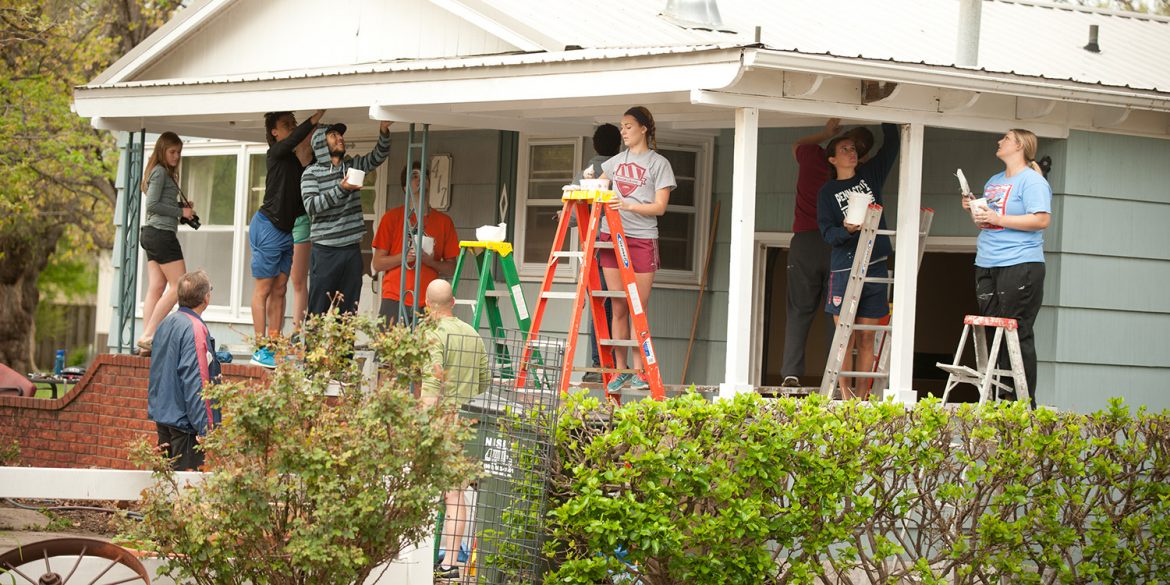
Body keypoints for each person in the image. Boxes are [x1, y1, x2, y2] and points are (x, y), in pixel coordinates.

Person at [781, 119, 874, 388]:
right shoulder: (859, 176)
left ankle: (791, 372)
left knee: (800, 308)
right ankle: (832, 376)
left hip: (806, 242)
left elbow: (798, 145)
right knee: (835, 313)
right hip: (839, 244)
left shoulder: (812, 157)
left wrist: (826, 133)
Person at [965, 129, 1051, 409]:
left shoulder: (1032, 181)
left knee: (1017, 330)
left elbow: (1040, 220)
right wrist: (974, 208)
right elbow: (989, 221)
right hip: (988, 261)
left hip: (1020, 262)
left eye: (1005, 138)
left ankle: (1023, 402)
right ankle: (1000, 397)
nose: (999, 142)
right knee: (995, 330)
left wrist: (998, 216)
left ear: (1019, 146)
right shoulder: (994, 181)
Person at [817, 122, 900, 399]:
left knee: (866, 337)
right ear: (832, 158)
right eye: (844, 149)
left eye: (853, 148)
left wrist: (885, 117)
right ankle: (844, 393)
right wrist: (847, 230)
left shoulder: (869, 175)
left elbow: (891, 147)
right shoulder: (827, 192)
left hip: (874, 264)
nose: (851, 153)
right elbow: (828, 233)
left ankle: (862, 397)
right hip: (844, 268)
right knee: (846, 336)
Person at [597, 107, 676, 394]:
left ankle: (640, 370)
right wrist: (590, 182)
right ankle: (622, 371)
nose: (623, 131)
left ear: (644, 128)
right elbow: (599, 191)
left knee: (637, 307)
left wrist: (628, 205)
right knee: (617, 305)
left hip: (641, 238)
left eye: (628, 126)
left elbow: (660, 207)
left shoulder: (659, 163)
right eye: (621, 126)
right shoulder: (614, 163)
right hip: (612, 236)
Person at [419, 279, 489, 581]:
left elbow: (432, 384)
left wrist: (424, 427)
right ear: (454, 302)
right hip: (469, 424)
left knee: (438, 495)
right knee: (456, 494)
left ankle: (431, 564)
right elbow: (485, 380)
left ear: (426, 304)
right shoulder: (473, 334)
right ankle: (452, 563)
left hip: (442, 421)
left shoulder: (433, 335)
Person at [249, 109, 325, 368]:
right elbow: (294, 141)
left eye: (294, 123)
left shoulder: (294, 162)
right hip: (268, 226)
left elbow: (304, 150)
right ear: (274, 132)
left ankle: (274, 342)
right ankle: (260, 348)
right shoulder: (276, 153)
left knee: (280, 288)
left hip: (286, 231)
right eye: (286, 125)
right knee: (264, 289)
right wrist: (314, 118)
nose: (292, 128)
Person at [301, 120, 393, 315]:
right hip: (325, 252)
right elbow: (312, 207)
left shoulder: (352, 167)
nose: (340, 138)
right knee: (318, 310)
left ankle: (343, 347)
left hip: (351, 251)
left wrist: (384, 130)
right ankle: (311, 347)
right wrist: (341, 189)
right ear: (320, 144)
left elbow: (378, 156)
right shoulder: (311, 173)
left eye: (340, 135)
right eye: (333, 135)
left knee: (348, 312)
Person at [146, 269, 222, 471]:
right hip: (185, 423)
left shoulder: (166, 323)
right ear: (206, 297)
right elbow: (197, 378)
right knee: (185, 490)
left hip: (164, 416)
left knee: (166, 483)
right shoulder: (195, 328)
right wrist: (204, 427)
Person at [370, 161, 459, 325]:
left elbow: (452, 268)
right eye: (414, 176)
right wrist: (404, 257)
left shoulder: (444, 222)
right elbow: (378, 263)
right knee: (389, 349)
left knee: (428, 350)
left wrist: (430, 262)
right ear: (405, 187)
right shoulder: (391, 218)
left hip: (429, 299)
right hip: (395, 295)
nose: (420, 180)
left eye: (424, 176)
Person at [136, 132, 195, 356]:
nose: (176, 156)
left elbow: (161, 205)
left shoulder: (163, 174)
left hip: (151, 233)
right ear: (162, 151)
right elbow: (152, 205)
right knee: (179, 285)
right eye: (172, 151)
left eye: (179, 152)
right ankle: (149, 335)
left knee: (156, 287)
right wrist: (180, 211)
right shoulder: (160, 172)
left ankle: (145, 344)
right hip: (160, 235)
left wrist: (182, 211)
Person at [579, 123, 621, 383]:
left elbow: (575, 215)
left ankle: (600, 363)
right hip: (621, 247)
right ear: (619, 145)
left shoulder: (590, 171)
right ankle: (615, 363)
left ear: (595, 145)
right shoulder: (624, 168)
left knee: (599, 305)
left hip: (596, 248)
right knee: (617, 306)